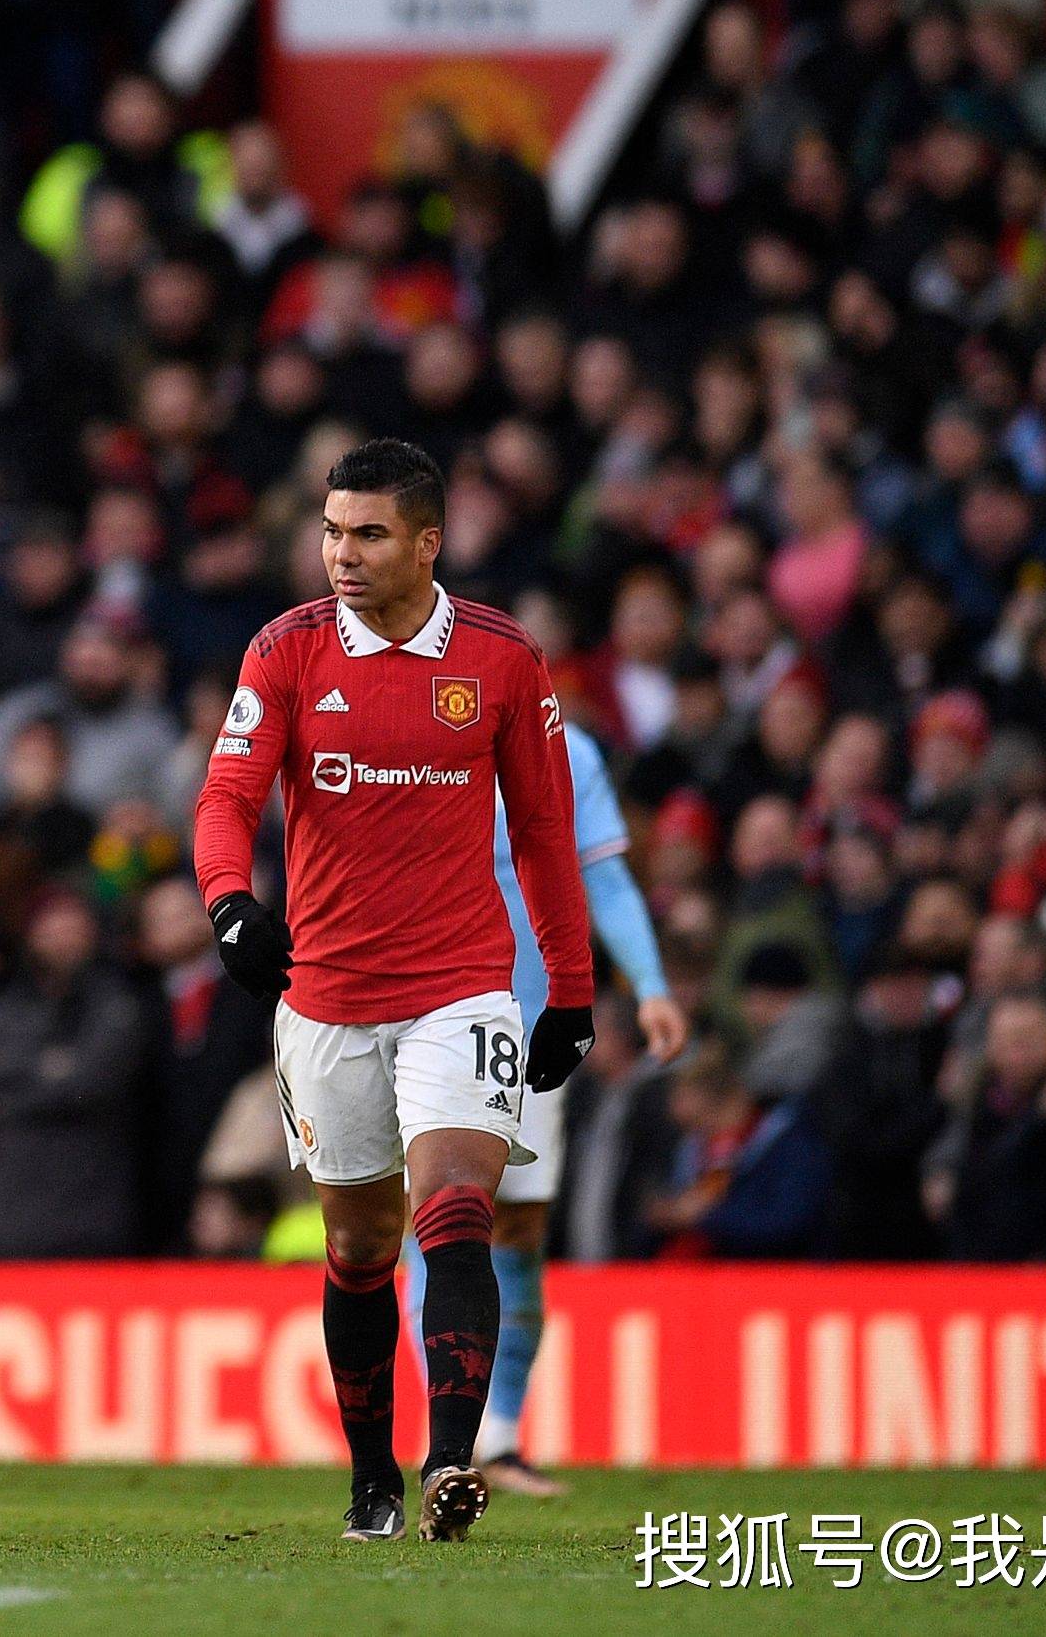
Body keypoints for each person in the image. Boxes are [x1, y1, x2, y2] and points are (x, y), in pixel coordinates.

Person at [191, 439, 592, 1545]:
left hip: (461, 991)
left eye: (367, 534)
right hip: (324, 1000)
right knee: (361, 1245)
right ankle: (370, 1470)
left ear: (428, 542)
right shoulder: (284, 651)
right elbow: (223, 801)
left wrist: (569, 988)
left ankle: (450, 1466)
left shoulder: (505, 661)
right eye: (330, 532)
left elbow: (549, 837)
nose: (341, 555)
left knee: (457, 1209)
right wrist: (230, 904)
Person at [463, 680, 687, 1499]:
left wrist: (652, 982)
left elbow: (606, 877)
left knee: (514, 1230)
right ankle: (446, 1432)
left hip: (524, 1027)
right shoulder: (400, 736)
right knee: (430, 1221)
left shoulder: (568, 752)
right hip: (409, 1015)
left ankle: (500, 1438)